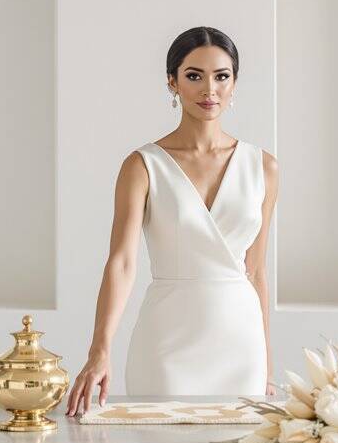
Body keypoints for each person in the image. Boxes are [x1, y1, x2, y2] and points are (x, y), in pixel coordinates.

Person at [65, 26, 279, 417]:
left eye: (221, 76)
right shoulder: (143, 165)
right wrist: (99, 350)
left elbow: (257, 270)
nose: (209, 89)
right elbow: (122, 262)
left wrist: (265, 359)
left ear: (234, 83)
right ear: (172, 83)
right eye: (194, 76)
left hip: (240, 343)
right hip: (167, 340)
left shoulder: (263, 166)